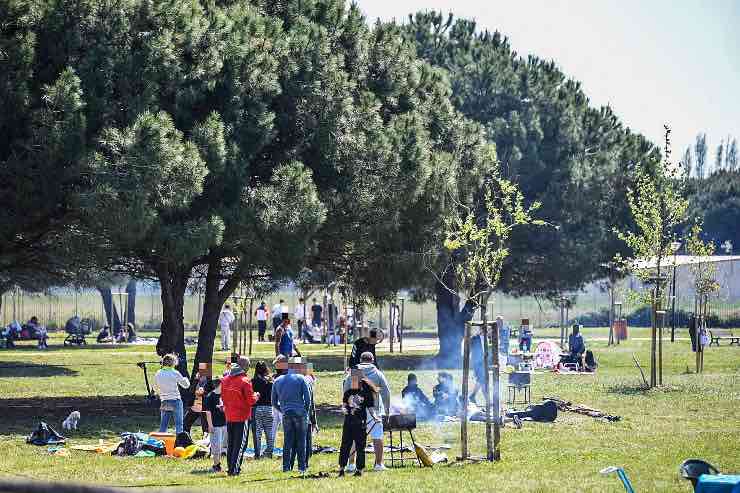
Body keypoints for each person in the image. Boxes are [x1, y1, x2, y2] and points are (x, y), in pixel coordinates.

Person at [343, 352, 390, 472]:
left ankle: (351, 464)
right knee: (377, 436)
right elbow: (386, 393)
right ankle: (379, 464)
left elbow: (346, 390)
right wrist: (387, 410)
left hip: (356, 409)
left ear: (360, 359)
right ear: (372, 360)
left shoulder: (354, 373)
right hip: (373, 409)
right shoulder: (377, 374)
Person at [221, 356, 260, 476]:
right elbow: (250, 401)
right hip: (242, 416)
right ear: (245, 367)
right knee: (240, 444)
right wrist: (256, 396)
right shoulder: (245, 381)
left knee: (231, 444)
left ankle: (230, 467)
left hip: (229, 415)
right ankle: (235, 469)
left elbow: (223, 397)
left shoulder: (225, 379)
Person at [272, 360, 312, 475]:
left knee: (287, 441)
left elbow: (273, 402)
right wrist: (305, 411)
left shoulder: (277, 380)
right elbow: (308, 399)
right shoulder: (301, 378)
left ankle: (286, 467)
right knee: (301, 441)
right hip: (300, 413)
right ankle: (301, 467)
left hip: (286, 413)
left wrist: (283, 410)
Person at [338, 368, 376, 477]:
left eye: (354, 379)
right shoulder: (348, 392)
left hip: (360, 423)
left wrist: (375, 417)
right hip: (348, 423)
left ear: (360, 380)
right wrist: (344, 410)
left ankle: (359, 470)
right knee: (345, 445)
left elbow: (370, 408)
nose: (352, 382)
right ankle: (341, 468)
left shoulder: (366, 394)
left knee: (360, 447)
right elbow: (344, 405)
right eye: (351, 379)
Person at [154, 353, 190, 435]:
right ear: (173, 363)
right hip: (176, 400)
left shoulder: (158, 373)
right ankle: (179, 443)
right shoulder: (175, 373)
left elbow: (155, 388)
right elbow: (186, 385)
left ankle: (160, 443)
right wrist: (185, 379)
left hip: (165, 400)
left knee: (163, 425)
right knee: (179, 425)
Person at [251, 361, 275, 459]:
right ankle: (269, 452)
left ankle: (257, 453)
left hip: (257, 408)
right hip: (269, 408)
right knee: (269, 431)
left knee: (257, 432)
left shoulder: (252, 381)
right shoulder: (270, 382)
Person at [204, 378, 226, 473]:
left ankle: (218, 463)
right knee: (216, 445)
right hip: (215, 425)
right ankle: (216, 465)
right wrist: (210, 425)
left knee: (221, 445)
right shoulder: (210, 396)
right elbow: (208, 413)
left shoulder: (224, 395)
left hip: (224, 424)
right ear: (220, 384)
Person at [184, 371, 212, 436]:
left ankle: (207, 442)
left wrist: (203, 391)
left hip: (203, 407)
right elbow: (191, 391)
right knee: (185, 423)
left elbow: (209, 394)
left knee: (205, 428)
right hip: (195, 407)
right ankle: (186, 439)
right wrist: (196, 380)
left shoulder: (209, 383)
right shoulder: (196, 381)